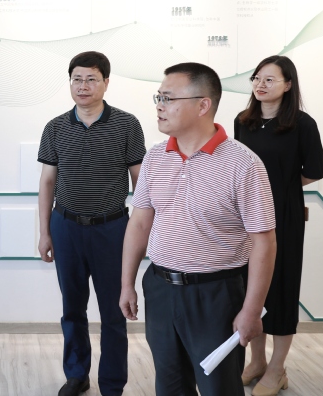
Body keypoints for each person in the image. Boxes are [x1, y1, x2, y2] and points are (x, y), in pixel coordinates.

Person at [119, 62, 277, 396]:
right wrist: (127, 284)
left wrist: (251, 310)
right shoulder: (155, 157)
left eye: (168, 98)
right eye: (158, 97)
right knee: (170, 385)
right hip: (160, 289)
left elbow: (264, 242)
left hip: (215, 295)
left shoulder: (243, 164)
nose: (159, 106)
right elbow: (140, 222)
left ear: (203, 105)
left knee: (218, 387)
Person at [37, 51, 147, 396]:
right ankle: (77, 375)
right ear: (70, 82)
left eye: (91, 79)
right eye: (77, 79)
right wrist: (44, 233)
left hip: (112, 230)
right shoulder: (55, 127)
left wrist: (143, 234)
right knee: (72, 308)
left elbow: (141, 184)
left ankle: (112, 384)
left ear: (106, 83)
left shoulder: (127, 125)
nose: (83, 86)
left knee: (114, 312)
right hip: (66, 227)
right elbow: (47, 182)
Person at [234, 55, 323, 396]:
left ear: (288, 85)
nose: (260, 84)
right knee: (251, 289)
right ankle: (256, 361)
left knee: (282, 289)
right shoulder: (243, 121)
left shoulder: (302, 124)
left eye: (269, 79)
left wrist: (280, 188)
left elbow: (313, 171)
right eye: (256, 78)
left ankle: (277, 368)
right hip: (245, 217)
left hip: (283, 216)